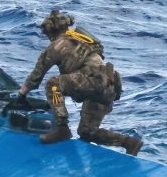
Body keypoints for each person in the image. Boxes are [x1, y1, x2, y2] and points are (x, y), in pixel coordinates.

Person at [16, 9, 142, 156]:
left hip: (93, 81)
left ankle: (62, 128)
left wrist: (21, 95)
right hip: (109, 85)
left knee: (53, 84)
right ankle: (129, 143)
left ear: (50, 32)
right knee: (87, 132)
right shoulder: (82, 39)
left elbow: (36, 76)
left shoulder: (56, 45)